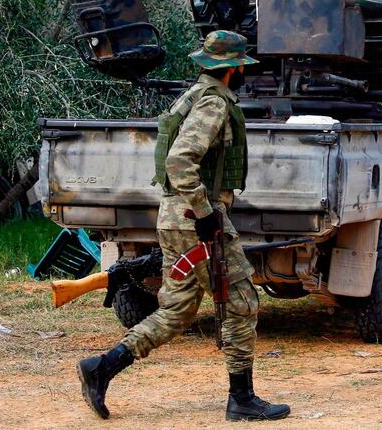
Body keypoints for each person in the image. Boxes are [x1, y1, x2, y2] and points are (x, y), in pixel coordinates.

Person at [76, 30, 291, 422]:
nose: (244, 71)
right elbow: (179, 162)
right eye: (241, 65)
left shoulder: (193, 95)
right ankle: (241, 399)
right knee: (243, 303)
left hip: (177, 217)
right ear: (232, 68)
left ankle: (101, 367)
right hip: (196, 220)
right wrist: (206, 213)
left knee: (177, 310)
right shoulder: (213, 104)